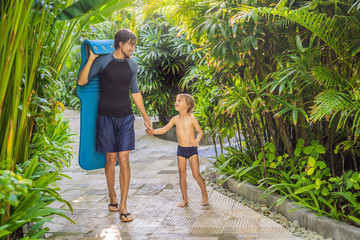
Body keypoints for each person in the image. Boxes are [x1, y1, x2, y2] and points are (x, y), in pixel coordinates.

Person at [77, 29, 152, 222]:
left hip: (126, 118)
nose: (133, 49)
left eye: (134, 45)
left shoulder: (132, 65)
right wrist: (92, 59)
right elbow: (82, 81)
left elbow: (135, 92)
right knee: (110, 160)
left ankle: (124, 206)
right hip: (105, 117)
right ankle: (112, 196)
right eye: (131, 44)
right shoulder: (104, 61)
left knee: (124, 160)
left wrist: (145, 116)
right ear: (120, 43)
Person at [147, 94, 209, 207]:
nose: (176, 102)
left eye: (180, 101)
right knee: (182, 174)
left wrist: (197, 140)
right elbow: (164, 129)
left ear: (187, 105)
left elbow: (200, 132)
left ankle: (204, 193)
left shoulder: (192, 118)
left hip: (191, 149)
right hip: (181, 149)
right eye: (176, 100)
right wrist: (153, 131)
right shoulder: (175, 119)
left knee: (196, 174)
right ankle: (184, 198)